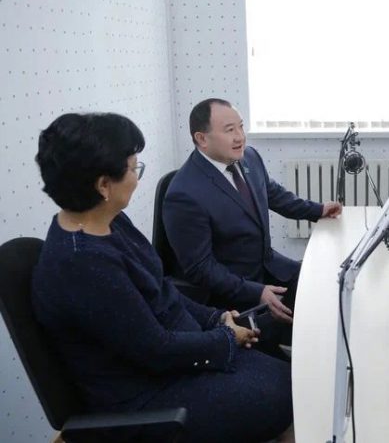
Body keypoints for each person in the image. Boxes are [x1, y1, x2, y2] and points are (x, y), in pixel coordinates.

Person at [31, 113, 294, 443]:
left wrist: (215, 318)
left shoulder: (108, 220)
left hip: (174, 359)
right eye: (133, 169)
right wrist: (226, 338)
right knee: (288, 391)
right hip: (146, 394)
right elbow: (155, 349)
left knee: (286, 376)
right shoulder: (82, 264)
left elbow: (159, 287)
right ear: (103, 186)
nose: (137, 178)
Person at [162, 98, 342, 336]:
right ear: (202, 139)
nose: (240, 137)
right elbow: (201, 268)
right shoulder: (184, 194)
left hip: (268, 266)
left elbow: (274, 194)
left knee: (324, 288)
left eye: (241, 127)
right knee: (303, 328)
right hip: (231, 291)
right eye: (229, 130)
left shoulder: (249, 157)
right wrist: (256, 292)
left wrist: (317, 210)